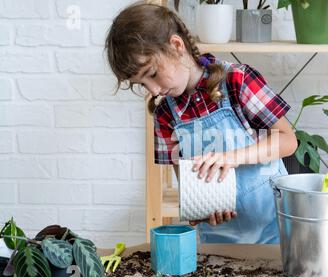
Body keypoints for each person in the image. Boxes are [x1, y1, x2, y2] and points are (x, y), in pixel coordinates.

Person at [105, 1, 297, 244]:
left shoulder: (237, 81)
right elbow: (188, 189)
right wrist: (201, 210)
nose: (153, 90)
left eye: (152, 74)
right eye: (142, 84)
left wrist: (233, 157)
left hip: (276, 233)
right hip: (218, 244)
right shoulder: (166, 115)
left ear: (176, 45)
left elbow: (288, 140)